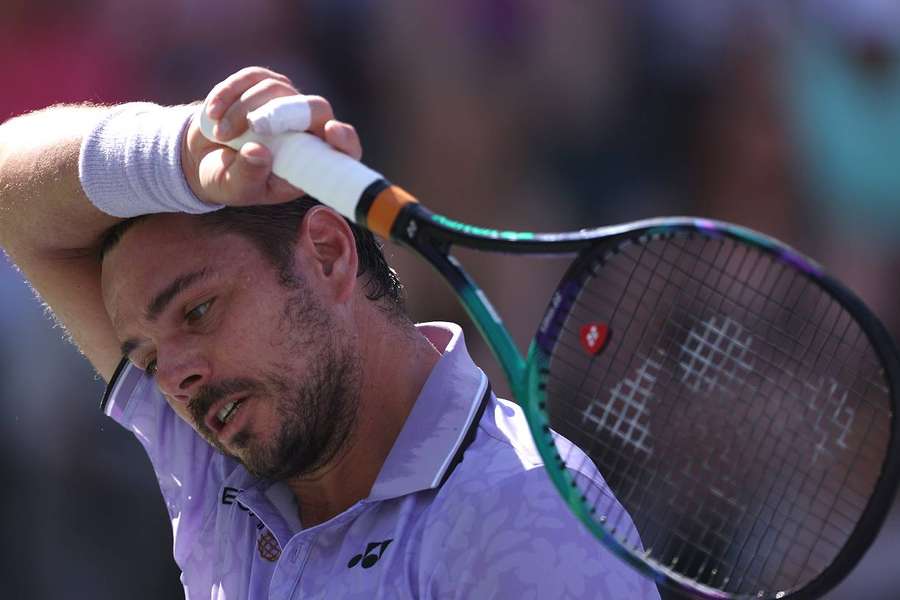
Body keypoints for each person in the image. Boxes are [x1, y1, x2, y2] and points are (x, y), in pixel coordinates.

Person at [0, 66, 659, 599]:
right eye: (145, 361)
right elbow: (11, 197)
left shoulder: (521, 517)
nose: (173, 378)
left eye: (198, 311)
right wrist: (182, 153)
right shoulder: (224, 457)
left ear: (328, 256)